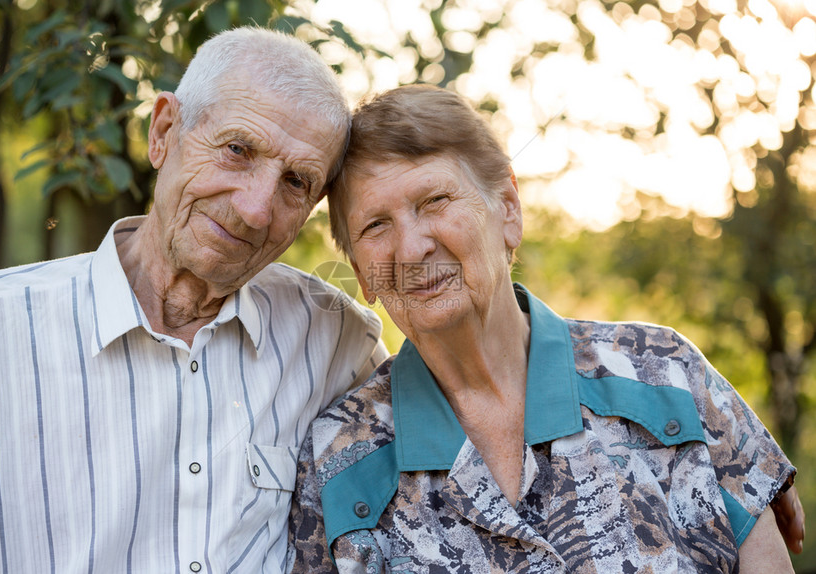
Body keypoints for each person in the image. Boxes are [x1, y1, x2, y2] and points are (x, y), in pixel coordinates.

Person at [288, 84, 804, 573]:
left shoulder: (665, 373)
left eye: (435, 201)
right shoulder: (337, 458)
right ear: (360, 272)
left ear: (508, 210)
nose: (411, 247)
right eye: (375, 226)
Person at [0, 27, 387, 573]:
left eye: (296, 182)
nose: (255, 209)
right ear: (163, 132)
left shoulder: (335, 339)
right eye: (238, 150)